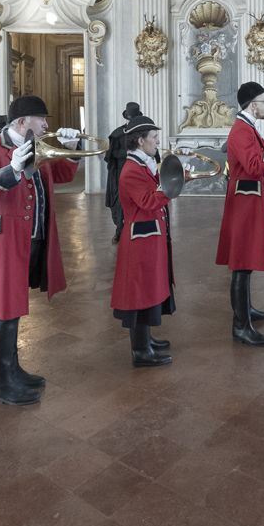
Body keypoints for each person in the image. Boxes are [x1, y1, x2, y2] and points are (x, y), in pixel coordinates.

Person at [0, 95, 82, 406]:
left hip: (31, 236)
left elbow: (64, 174)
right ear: (23, 121)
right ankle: (1, 384)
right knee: (6, 310)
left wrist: (72, 149)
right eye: (42, 119)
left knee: (14, 306)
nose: (46, 125)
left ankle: (13, 370)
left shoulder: (40, 146)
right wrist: (11, 171)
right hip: (2, 241)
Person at [110, 114, 191, 367]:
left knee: (148, 289)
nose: (158, 142)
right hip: (140, 239)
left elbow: (157, 188)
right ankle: (140, 350)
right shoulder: (132, 169)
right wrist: (175, 181)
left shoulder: (143, 163)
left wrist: (179, 170)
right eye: (154, 138)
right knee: (139, 292)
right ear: (140, 140)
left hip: (149, 235)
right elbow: (148, 200)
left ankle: (146, 339)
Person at [215, 82, 264, 346]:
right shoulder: (241, 131)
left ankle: (246, 310)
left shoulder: (248, 129)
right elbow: (256, 166)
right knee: (241, 267)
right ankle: (240, 326)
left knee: (245, 265)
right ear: (252, 104)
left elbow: (260, 156)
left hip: (249, 202)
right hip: (244, 205)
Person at [104, 101, 141, 243]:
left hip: (138, 173)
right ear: (126, 118)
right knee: (120, 202)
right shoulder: (118, 134)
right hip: (121, 173)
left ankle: (138, 230)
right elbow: (110, 155)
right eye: (129, 119)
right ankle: (119, 232)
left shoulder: (142, 132)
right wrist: (126, 153)